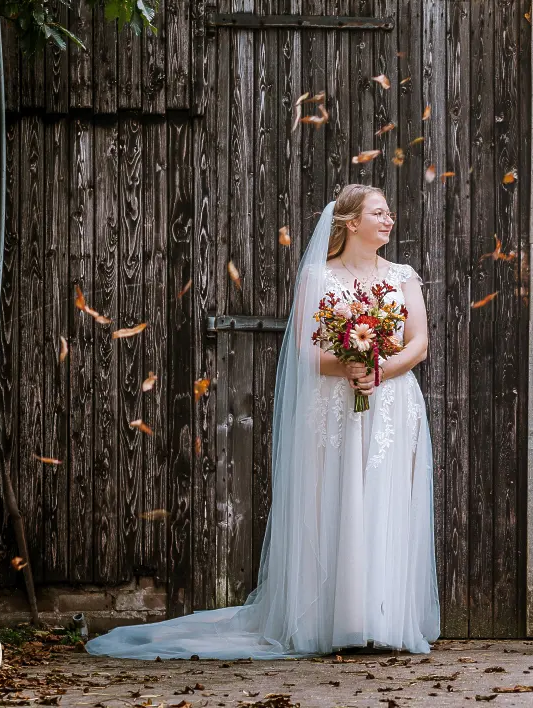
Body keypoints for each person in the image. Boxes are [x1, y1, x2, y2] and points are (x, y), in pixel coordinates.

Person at [86, 184, 440, 660]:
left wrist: (378, 370)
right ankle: (333, 621)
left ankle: (381, 619)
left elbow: (418, 343)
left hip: (391, 403)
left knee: (383, 502)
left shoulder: (403, 277)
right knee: (336, 501)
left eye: (389, 211)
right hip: (336, 406)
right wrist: (349, 367)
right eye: (379, 212)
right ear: (351, 222)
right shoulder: (318, 277)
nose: (389, 219)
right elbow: (304, 349)